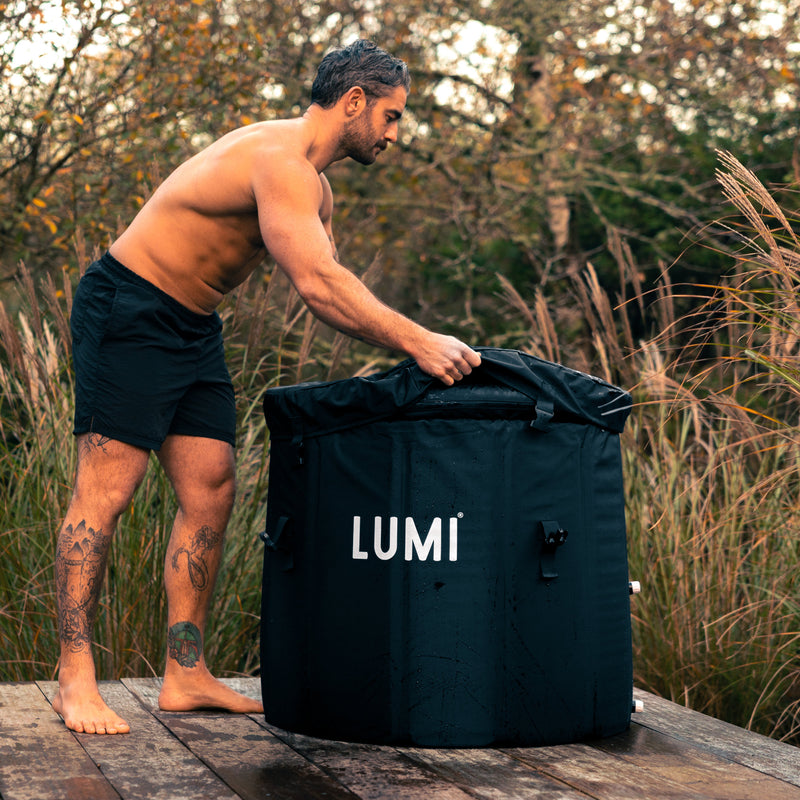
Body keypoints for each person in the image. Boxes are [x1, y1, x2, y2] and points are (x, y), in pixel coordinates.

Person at [52, 39, 482, 735]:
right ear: (353, 102)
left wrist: (404, 347)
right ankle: (74, 679)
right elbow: (317, 286)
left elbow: (334, 281)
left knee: (211, 487)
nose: (396, 136)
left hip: (191, 326)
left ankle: (185, 671)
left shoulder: (315, 185)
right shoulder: (279, 161)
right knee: (104, 493)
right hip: (129, 310)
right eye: (393, 117)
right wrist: (420, 341)